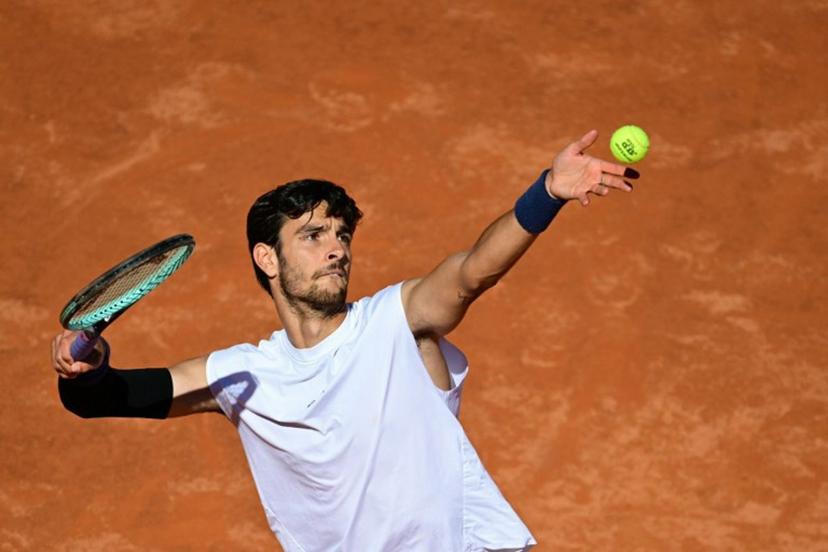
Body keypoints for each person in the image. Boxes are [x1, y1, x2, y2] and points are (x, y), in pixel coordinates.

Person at [51, 129, 637, 551]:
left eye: (341, 234)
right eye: (312, 235)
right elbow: (106, 398)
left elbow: (471, 272)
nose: (337, 247)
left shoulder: (396, 322)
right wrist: (89, 369)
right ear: (267, 259)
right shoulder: (245, 377)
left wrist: (548, 194)